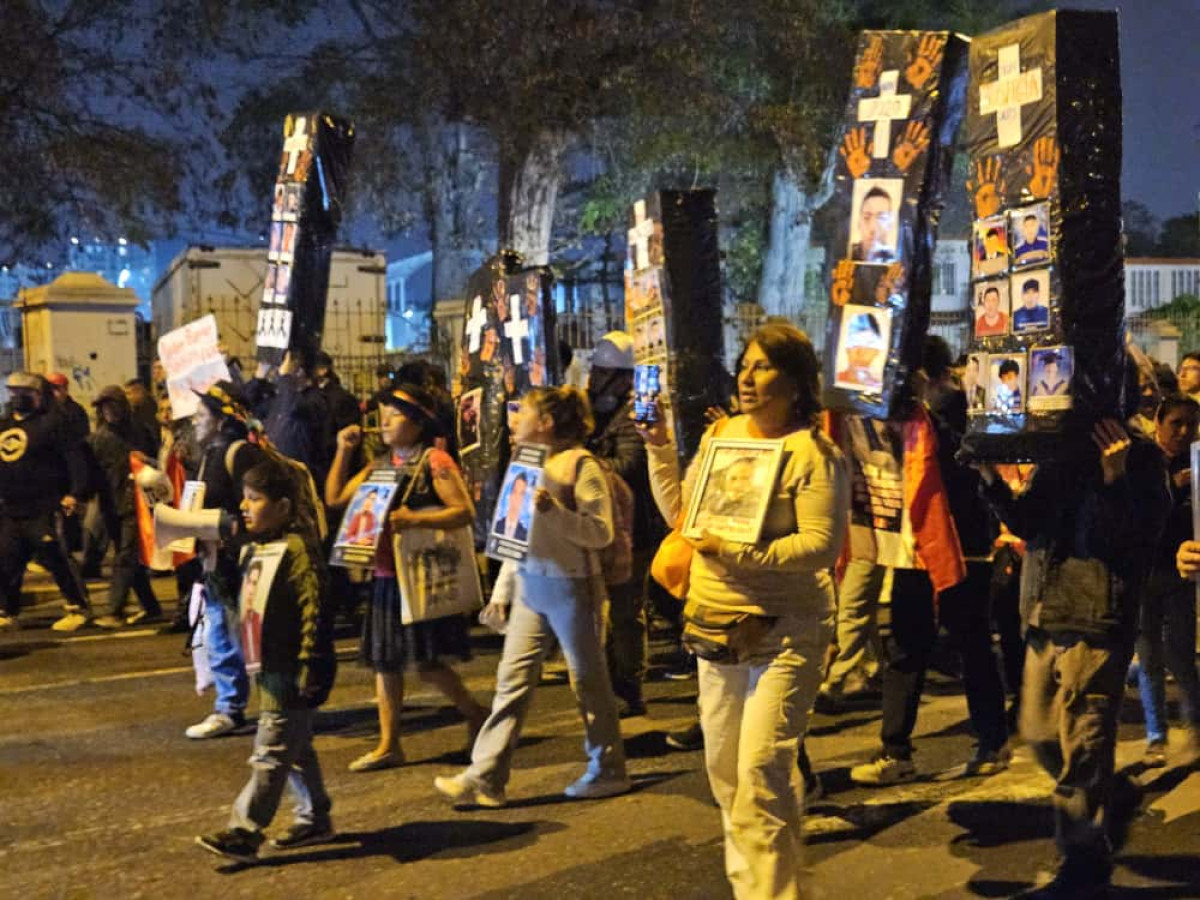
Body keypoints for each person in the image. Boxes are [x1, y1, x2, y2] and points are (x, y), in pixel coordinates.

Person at [638, 323, 848, 900]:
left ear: (796, 381)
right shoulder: (722, 436)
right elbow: (686, 515)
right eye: (745, 366)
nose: (747, 378)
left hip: (788, 633)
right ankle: (757, 887)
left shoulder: (814, 453)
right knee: (727, 774)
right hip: (718, 628)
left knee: (763, 769)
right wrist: (659, 445)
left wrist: (735, 550)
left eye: (763, 367)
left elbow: (820, 548)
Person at [978, 405, 1171, 898]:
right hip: (1044, 610)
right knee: (1039, 732)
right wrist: (992, 476)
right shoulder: (1058, 449)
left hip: (1096, 618)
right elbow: (1029, 522)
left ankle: (1083, 861)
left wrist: (1114, 479)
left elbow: (1135, 541)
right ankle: (1107, 793)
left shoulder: (1141, 456)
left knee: (1082, 745)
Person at [435, 386, 630, 807]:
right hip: (530, 585)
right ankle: (486, 774)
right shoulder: (525, 464)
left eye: (521, 413)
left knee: (588, 682)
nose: (512, 420)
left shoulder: (582, 465)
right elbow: (513, 534)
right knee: (512, 681)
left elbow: (600, 532)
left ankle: (608, 767)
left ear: (546, 423)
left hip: (573, 585)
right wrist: (503, 590)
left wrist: (554, 513)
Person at [850, 338, 1009, 784]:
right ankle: (898, 749)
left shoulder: (950, 404)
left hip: (958, 543)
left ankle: (987, 741)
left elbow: (965, 460)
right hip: (917, 543)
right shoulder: (889, 414)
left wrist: (924, 414)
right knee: (913, 645)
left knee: (965, 643)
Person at [327, 385, 487, 773]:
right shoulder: (380, 463)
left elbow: (463, 511)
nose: (383, 422)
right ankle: (389, 743)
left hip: (419, 577)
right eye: (382, 413)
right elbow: (335, 499)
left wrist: (414, 519)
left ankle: (476, 714)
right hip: (384, 574)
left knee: (429, 663)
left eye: (394, 415)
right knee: (386, 663)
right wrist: (343, 451)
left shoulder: (434, 460)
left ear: (416, 425)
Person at [195, 458, 336, 862]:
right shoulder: (256, 548)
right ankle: (315, 819)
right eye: (245, 497)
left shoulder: (297, 550)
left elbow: (315, 608)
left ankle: (244, 830)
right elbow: (235, 601)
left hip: (290, 669)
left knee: (272, 751)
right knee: (295, 747)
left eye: (255, 499)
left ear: (284, 507)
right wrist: (215, 564)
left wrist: (310, 664)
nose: (245, 505)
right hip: (268, 666)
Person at [184, 381, 266, 740]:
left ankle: (273, 707)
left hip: (239, 561)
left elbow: (253, 511)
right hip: (215, 561)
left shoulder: (239, 454)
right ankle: (229, 707)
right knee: (217, 631)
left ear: (220, 420)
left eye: (202, 415)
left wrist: (220, 527)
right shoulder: (207, 455)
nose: (195, 421)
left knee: (245, 635)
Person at [587, 330, 656, 718]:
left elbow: (629, 465)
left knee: (627, 612)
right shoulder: (597, 412)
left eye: (603, 373)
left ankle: (629, 686)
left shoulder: (636, 413)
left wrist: (584, 466)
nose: (594, 379)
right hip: (603, 524)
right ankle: (606, 681)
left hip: (634, 528)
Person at [1134, 395, 1200, 768]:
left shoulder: (1197, 462)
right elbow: (1139, 515)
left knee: (1181, 657)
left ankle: (1196, 728)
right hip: (1145, 573)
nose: (1184, 431)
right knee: (1149, 660)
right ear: (1157, 421)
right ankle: (1156, 737)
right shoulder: (1142, 460)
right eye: (1176, 422)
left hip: (1181, 577)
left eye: (1191, 424)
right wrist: (1172, 487)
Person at [0, 372, 93, 631]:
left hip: (44, 506)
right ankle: (7, 609)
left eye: (25, 393)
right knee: (6, 558)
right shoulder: (4, 425)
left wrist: (75, 492)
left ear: (39, 396)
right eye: (14, 393)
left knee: (56, 557)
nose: (19, 398)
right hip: (11, 507)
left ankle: (78, 607)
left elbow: (74, 460)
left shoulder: (53, 424)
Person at [88, 385, 164, 629]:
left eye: (111, 405)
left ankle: (114, 609)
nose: (108, 411)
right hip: (111, 506)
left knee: (125, 558)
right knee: (130, 558)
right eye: (103, 407)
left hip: (137, 504)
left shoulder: (140, 431)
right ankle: (151, 607)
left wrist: (147, 461)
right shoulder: (99, 438)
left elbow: (159, 463)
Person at [837, 312, 885, 390]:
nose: (861, 351)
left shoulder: (878, 388)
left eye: (869, 344)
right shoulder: (835, 379)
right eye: (854, 344)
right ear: (847, 349)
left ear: (877, 351)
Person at [851, 186, 896, 263]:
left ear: (890, 225)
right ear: (859, 223)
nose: (873, 228)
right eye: (866, 218)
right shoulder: (846, 255)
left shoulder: (896, 262)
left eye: (882, 218)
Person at [493, 473, 530, 540]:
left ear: (524, 500)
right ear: (510, 495)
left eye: (521, 494)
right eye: (515, 492)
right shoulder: (496, 526)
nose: (517, 498)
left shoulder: (525, 535)